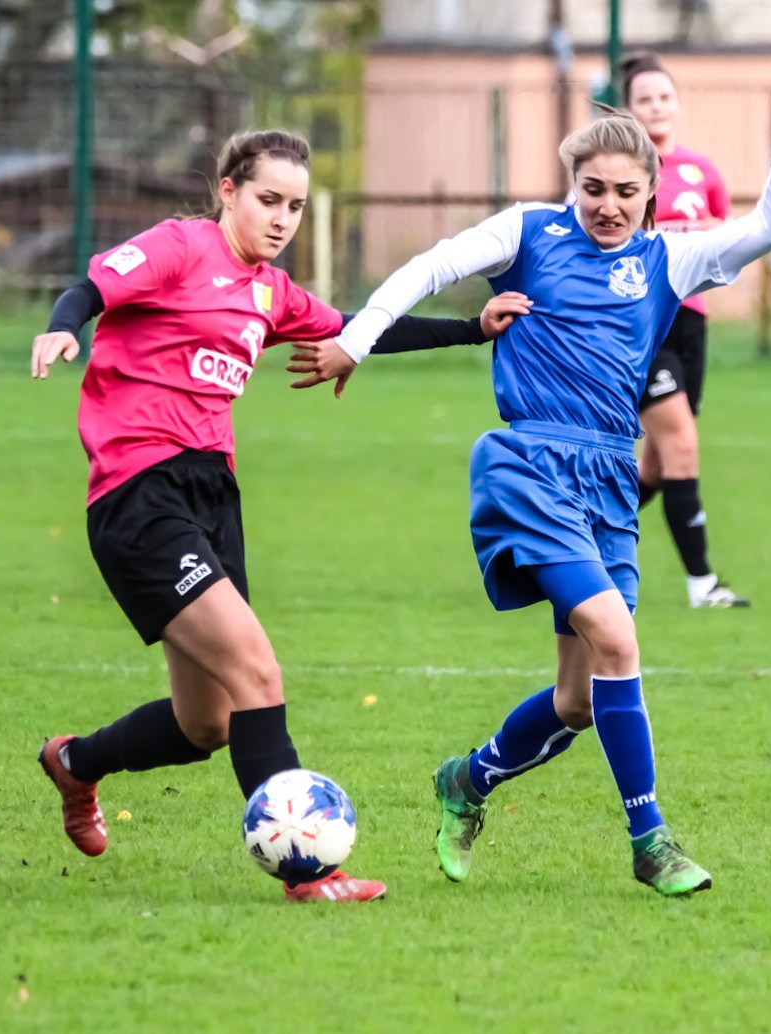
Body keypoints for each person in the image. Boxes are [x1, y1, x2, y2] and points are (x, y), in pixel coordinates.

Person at [287, 48, 771, 896]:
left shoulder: (669, 261)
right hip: (529, 465)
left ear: (651, 193)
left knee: (578, 699)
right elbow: (431, 266)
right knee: (618, 639)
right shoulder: (530, 231)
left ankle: (467, 780)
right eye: (593, 188)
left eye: (625, 191)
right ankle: (650, 841)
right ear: (573, 184)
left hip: (609, 479)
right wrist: (357, 340)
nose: (608, 205)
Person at [29, 128, 513, 903]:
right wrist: (64, 325)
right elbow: (93, 288)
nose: (282, 218)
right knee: (258, 671)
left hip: (212, 495)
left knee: (206, 723)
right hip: (139, 492)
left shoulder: (271, 292)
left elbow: (355, 327)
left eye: (295, 205)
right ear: (227, 191)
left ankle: (74, 762)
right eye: (268, 199)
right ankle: (308, 873)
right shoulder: (181, 247)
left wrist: (470, 331)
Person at [622, 51, 746, 609]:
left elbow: (725, 236)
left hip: (691, 321)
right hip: (642, 324)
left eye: (664, 97)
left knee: (655, 464)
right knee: (681, 446)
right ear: (628, 110)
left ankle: (558, 537)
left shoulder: (702, 171)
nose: (657, 107)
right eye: (644, 99)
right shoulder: (616, 175)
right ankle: (702, 584)